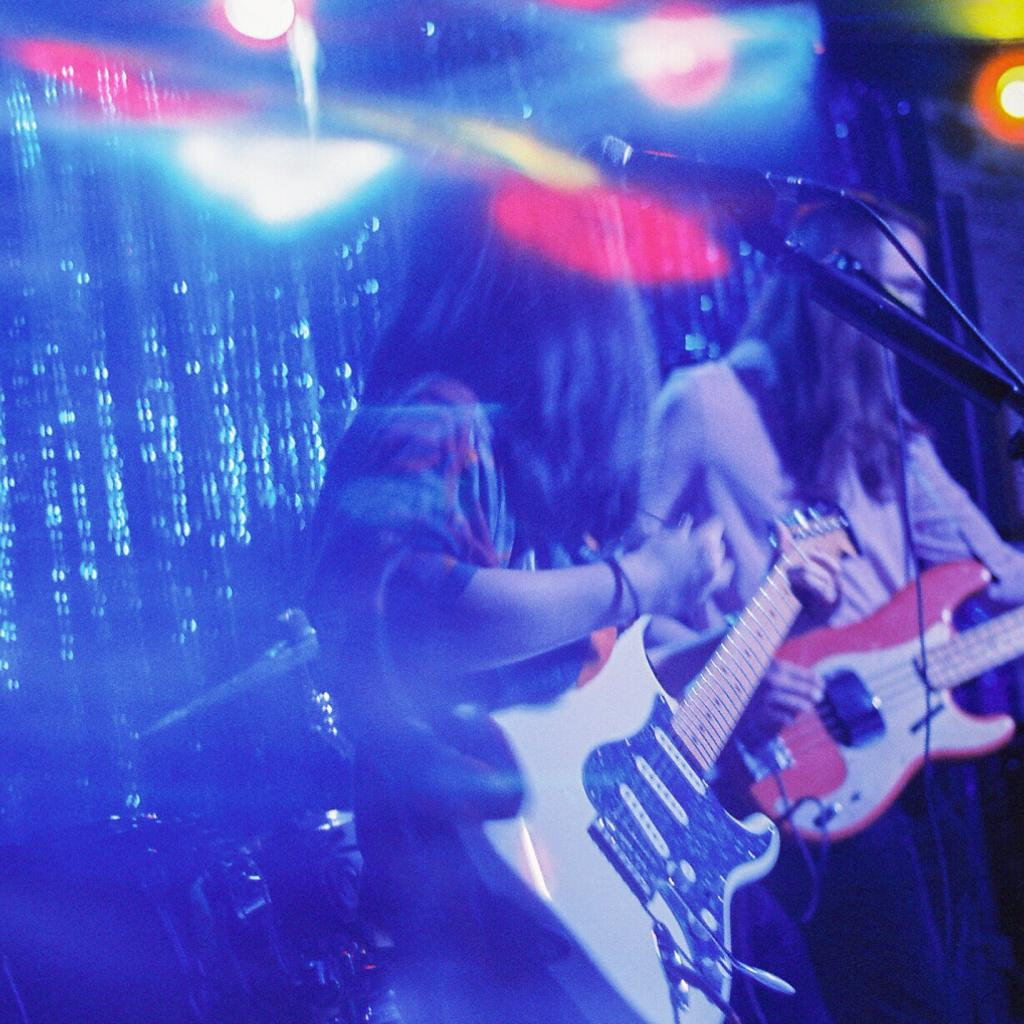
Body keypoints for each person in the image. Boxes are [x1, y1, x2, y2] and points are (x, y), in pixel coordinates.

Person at [302, 182, 758, 1024]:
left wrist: (729, 628)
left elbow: (571, 692)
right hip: (471, 905)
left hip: (556, 891)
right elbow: (419, 619)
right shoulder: (432, 421)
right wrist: (644, 581)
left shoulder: (521, 454)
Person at [643, 202, 1024, 1024]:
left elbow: (997, 579)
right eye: (891, 292)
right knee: (903, 1003)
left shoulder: (888, 431)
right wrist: (734, 670)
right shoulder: (706, 402)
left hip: (907, 744)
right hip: (793, 751)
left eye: (916, 297)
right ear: (828, 293)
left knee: (965, 994)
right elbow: (633, 591)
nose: (910, 321)